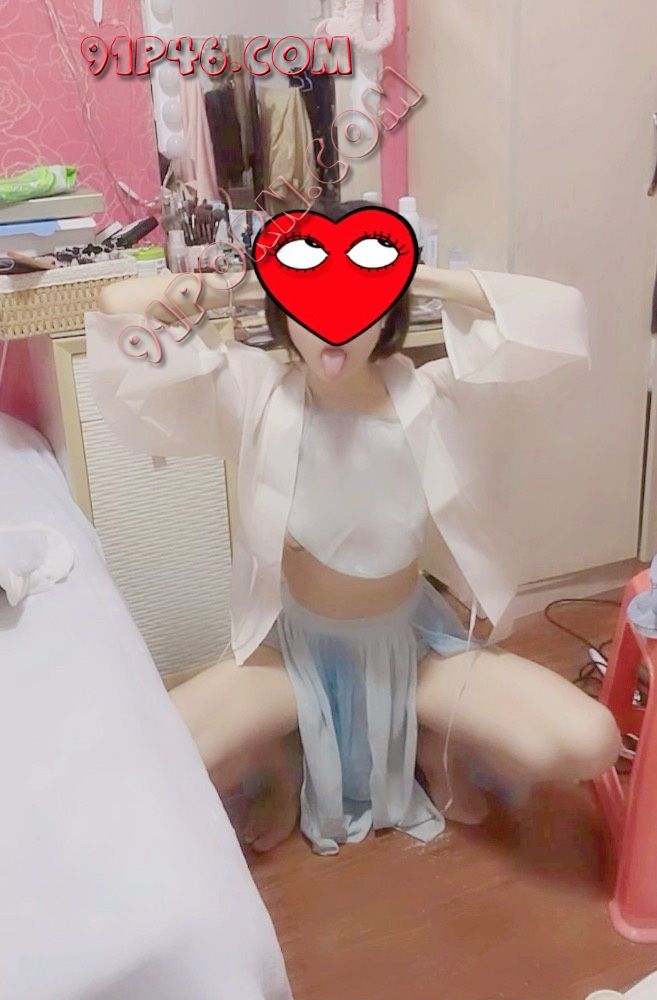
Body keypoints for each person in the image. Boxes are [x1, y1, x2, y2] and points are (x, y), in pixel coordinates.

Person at [86, 200, 620, 856]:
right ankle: (280, 760)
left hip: (414, 650)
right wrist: (260, 278)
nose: (333, 326)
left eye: (359, 303)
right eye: (311, 305)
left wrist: (409, 273)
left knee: (590, 740)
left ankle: (431, 739)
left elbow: (556, 313)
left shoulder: (436, 397)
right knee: (149, 764)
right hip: (294, 656)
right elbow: (116, 304)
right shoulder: (253, 392)